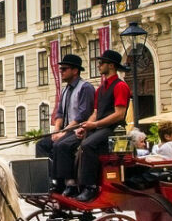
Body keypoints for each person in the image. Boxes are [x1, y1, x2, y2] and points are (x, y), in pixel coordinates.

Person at [73, 50, 132, 202]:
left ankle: (91, 186)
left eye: (101, 63)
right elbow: (96, 112)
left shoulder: (120, 86)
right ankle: (75, 184)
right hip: (100, 128)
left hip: (114, 130)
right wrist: (85, 126)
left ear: (111, 66)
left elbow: (119, 114)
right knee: (77, 145)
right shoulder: (100, 89)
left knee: (88, 144)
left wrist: (95, 124)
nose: (98, 66)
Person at [35, 54, 95, 194]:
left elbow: (82, 115)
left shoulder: (85, 88)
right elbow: (60, 113)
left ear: (75, 71)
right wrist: (56, 131)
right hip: (66, 130)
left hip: (80, 130)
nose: (60, 71)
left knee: (60, 145)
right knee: (42, 145)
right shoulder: (65, 90)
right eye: (61, 69)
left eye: (64, 69)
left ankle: (70, 183)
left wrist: (64, 132)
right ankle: (52, 179)